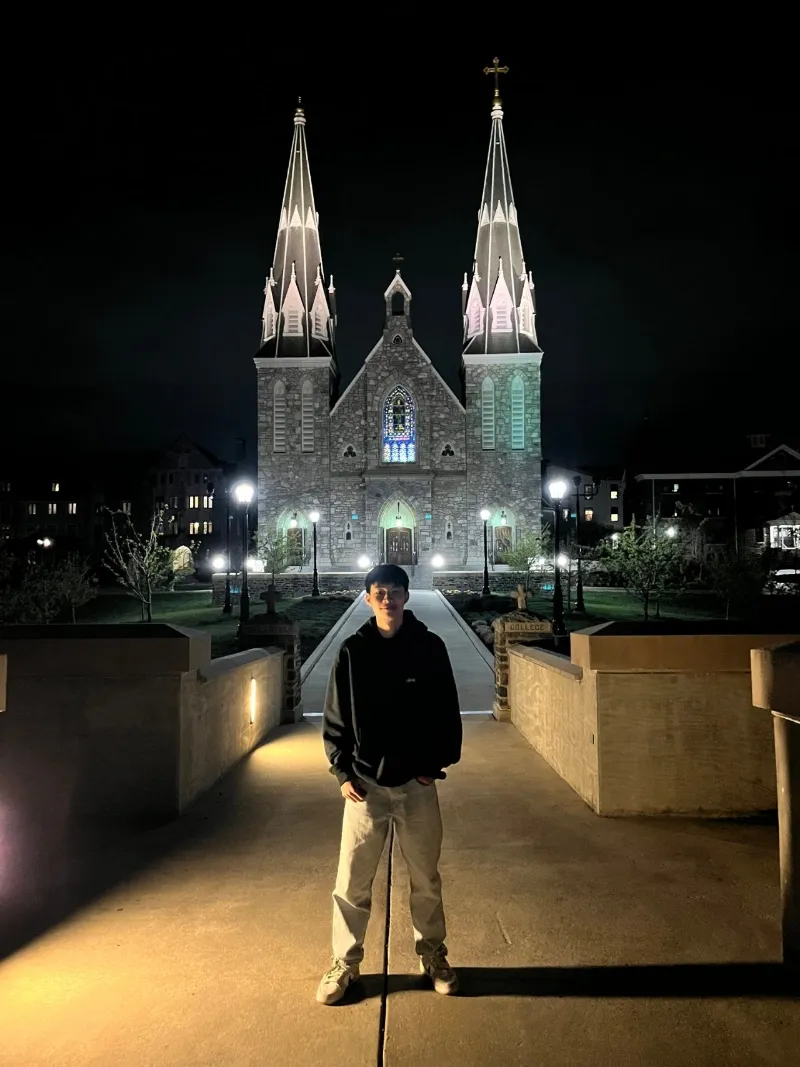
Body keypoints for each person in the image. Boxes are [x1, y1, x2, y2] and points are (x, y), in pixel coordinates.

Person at [316, 563, 462, 1005]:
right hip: (365, 788)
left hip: (416, 786)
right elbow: (335, 718)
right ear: (367, 598)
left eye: (394, 592)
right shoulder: (353, 652)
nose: (387, 599)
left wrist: (433, 764)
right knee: (352, 882)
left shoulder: (429, 648)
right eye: (379, 592)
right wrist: (343, 772)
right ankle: (345, 961)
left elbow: (446, 713)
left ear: (406, 596)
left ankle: (432, 953)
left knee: (426, 878)